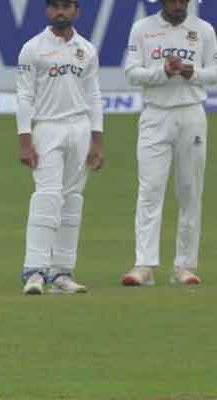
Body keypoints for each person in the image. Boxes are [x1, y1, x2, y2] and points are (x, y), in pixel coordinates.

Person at [122, 0, 217, 286]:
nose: (178, 5)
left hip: (191, 113)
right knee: (150, 189)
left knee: (189, 189)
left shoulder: (203, 30)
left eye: (183, 0)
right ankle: (144, 266)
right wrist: (162, 72)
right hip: (155, 115)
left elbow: (214, 71)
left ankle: (184, 266)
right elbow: (131, 72)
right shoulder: (143, 29)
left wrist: (193, 74)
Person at [15, 0, 105, 295]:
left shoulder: (87, 50)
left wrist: (97, 140)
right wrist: (25, 140)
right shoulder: (33, 48)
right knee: (48, 196)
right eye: (55, 7)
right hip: (48, 128)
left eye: (67, 6)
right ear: (47, 12)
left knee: (72, 200)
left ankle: (62, 273)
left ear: (77, 11)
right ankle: (35, 271)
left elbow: (93, 96)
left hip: (79, 129)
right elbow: (24, 96)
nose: (61, 12)